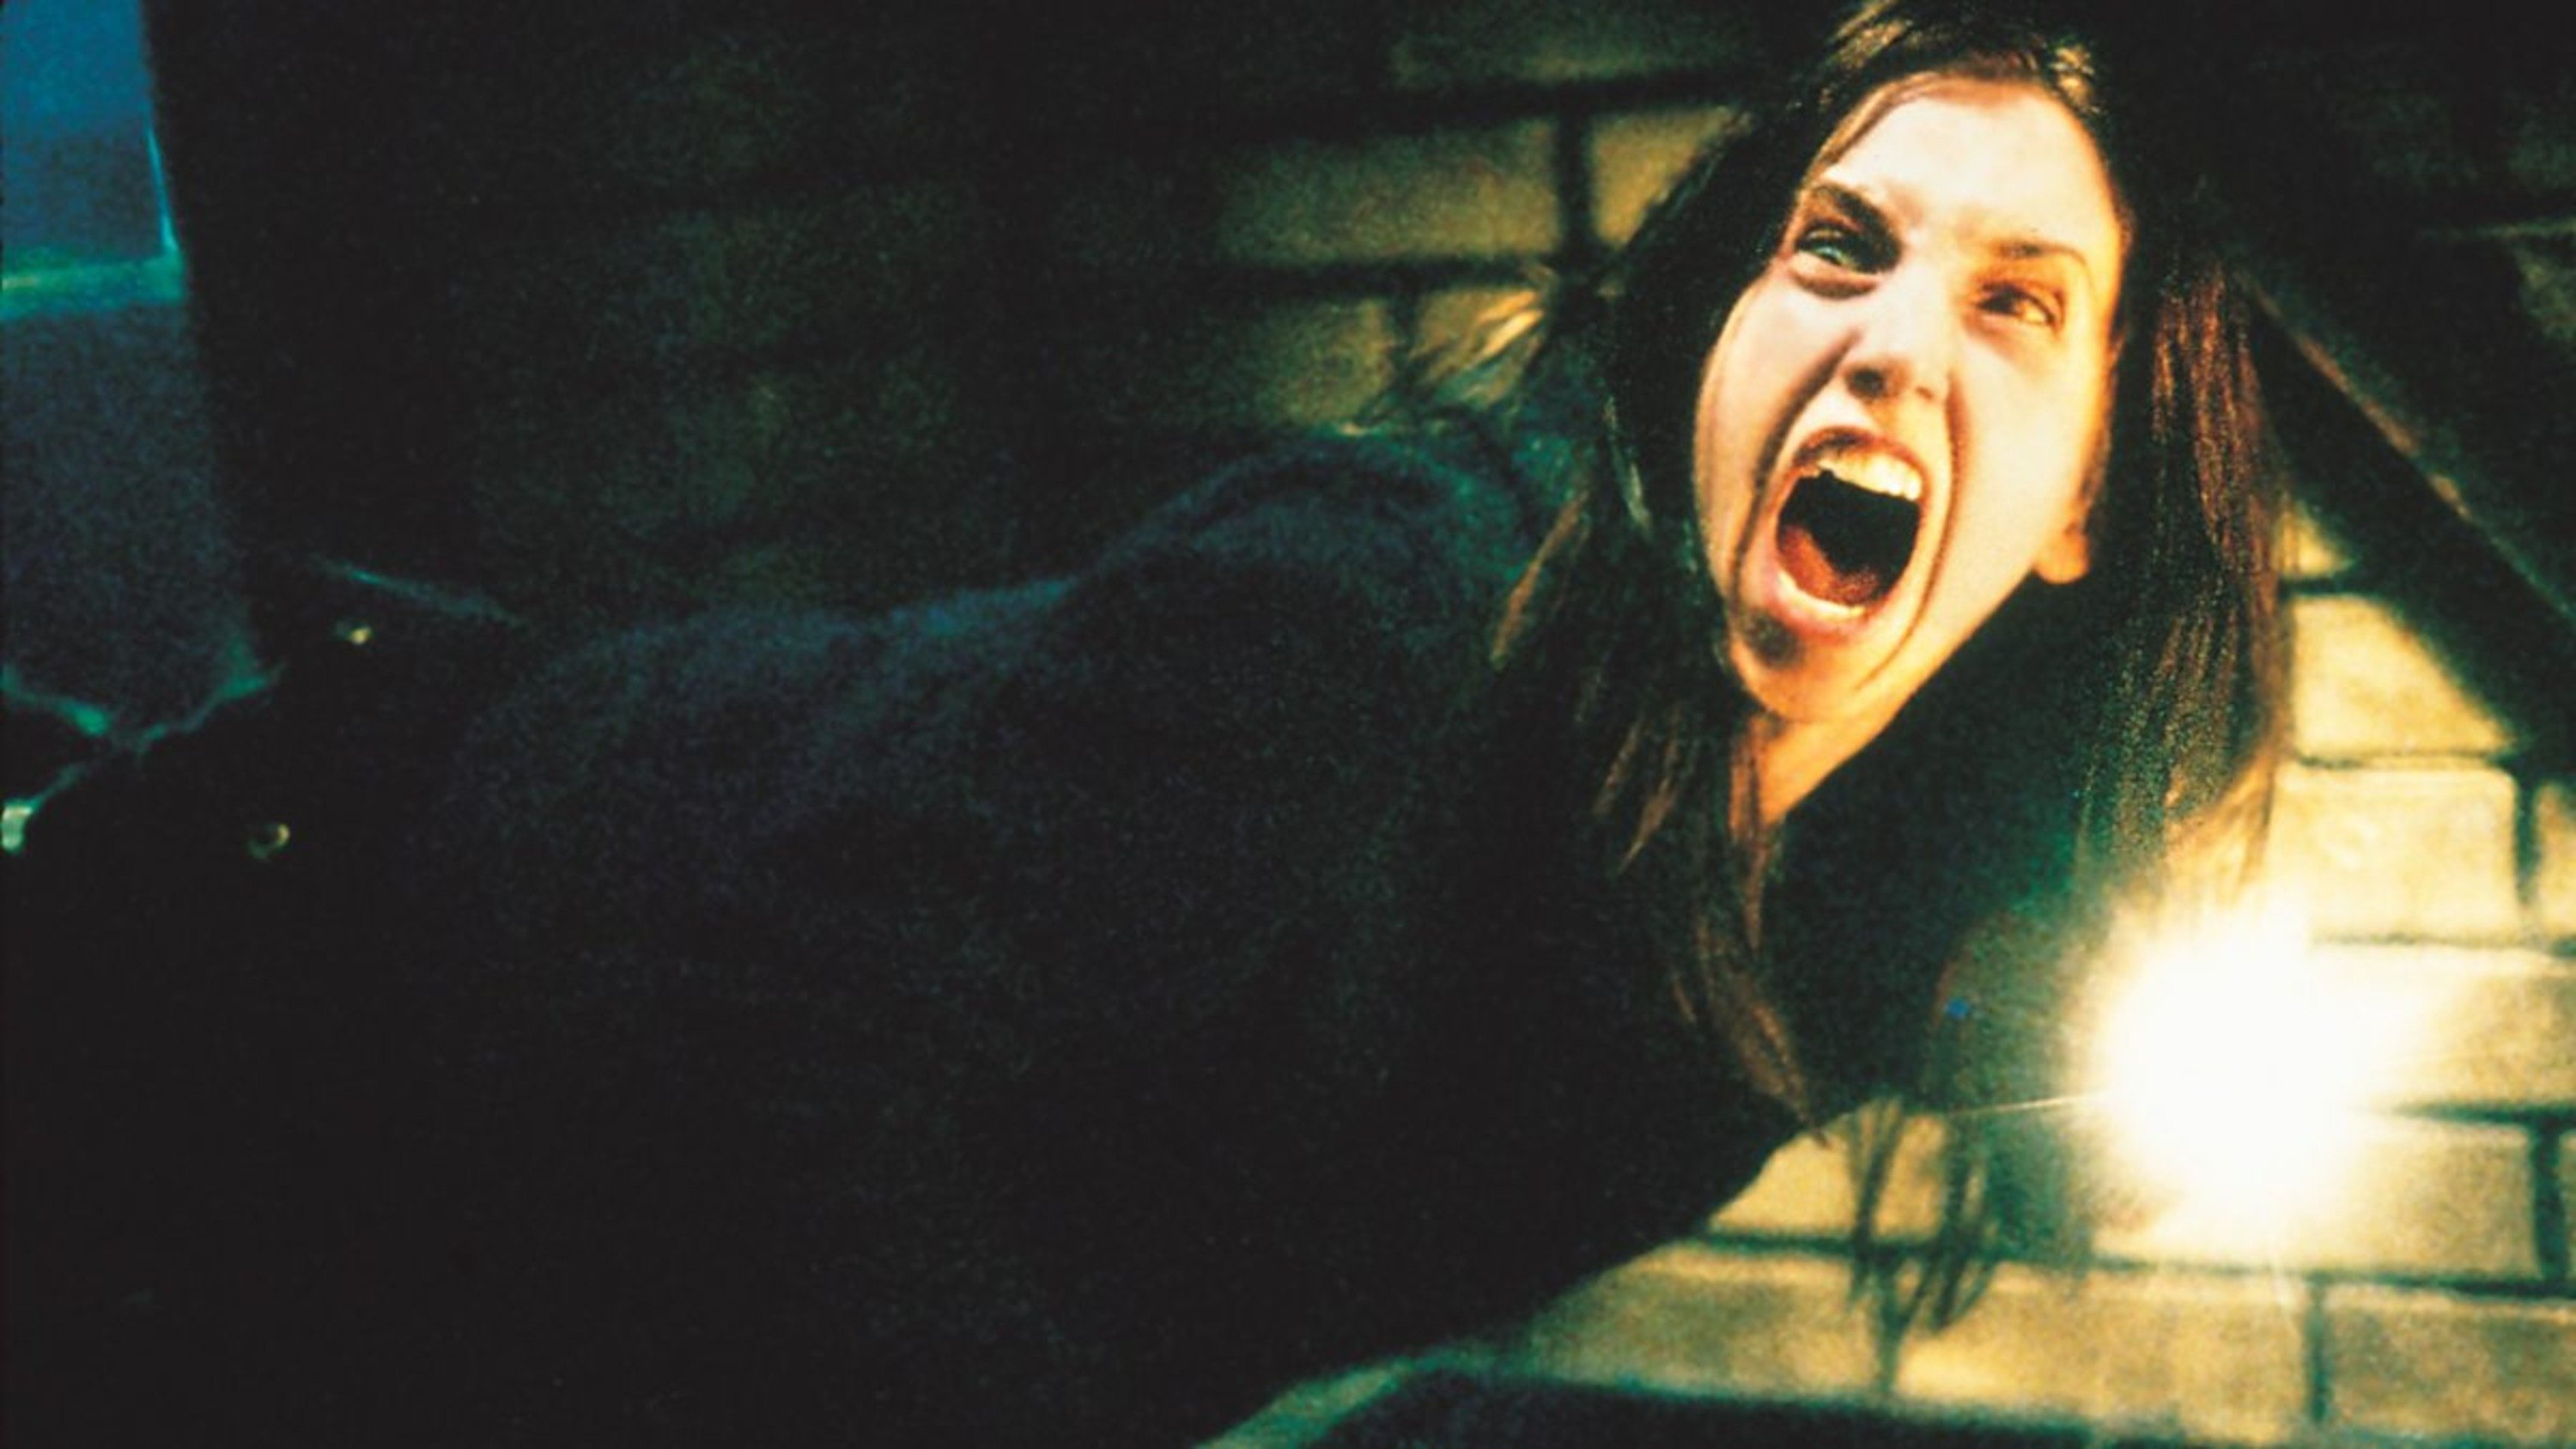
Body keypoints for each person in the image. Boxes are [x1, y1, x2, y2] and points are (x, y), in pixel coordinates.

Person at [393, 0, 2284, 1441]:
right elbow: (782, 1057)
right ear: (1722, 330)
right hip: (405, 952)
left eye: (2017, 304)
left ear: (2088, 502)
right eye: (1840, 246)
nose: (1891, 343)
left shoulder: (1888, 874)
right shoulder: (1389, 610)